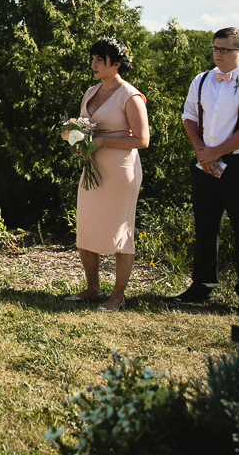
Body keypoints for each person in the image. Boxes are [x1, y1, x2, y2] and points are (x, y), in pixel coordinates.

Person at [169, 27, 239, 312]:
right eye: (215, 48)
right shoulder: (202, 80)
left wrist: (217, 152)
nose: (218, 54)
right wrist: (202, 153)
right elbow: (189, 116)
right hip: (204, 162)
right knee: (205, 226)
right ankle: (201, 287)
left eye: (225, 49)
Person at [62, 37, 149, 312]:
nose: (94, 64)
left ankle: (118, 296)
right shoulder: (90, 92)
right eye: (93, 59)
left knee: (122, 233)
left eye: (100, 60)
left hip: (120, 172)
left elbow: (142, 140)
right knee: (86, 228)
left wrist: (104, 142)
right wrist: (76, 140)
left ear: (117, 64)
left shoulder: (131, 97)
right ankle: (93, 287)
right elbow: (84, 128)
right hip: (92, 170)